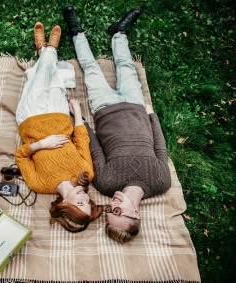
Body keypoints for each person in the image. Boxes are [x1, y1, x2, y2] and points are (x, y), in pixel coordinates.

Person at [63, 6, 172, 242]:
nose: (112, 205)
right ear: (136, 212)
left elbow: (95, 148)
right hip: (136, 106)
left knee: (90, 68)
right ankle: (119, 33)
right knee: (125, 66)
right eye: (118, 211)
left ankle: (77, 33)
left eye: (109, 211)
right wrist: (152, 115)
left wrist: (79, 118)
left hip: (104, 109)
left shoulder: (106, 183)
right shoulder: (161, 182)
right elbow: (160, 148)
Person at [15, 22, 103, 232]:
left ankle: (48, 50)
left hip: (30, 118)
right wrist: (78, 113)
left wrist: (41, 145)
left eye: (81, 204)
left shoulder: (39, 185)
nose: (86, 199)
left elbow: (20, 156)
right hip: (60, 116)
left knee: (44, 75)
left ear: (64, 205)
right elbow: (82, 141)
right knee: (53, 81)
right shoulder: (86, 175)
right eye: (88, 203)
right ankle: (45, 52)